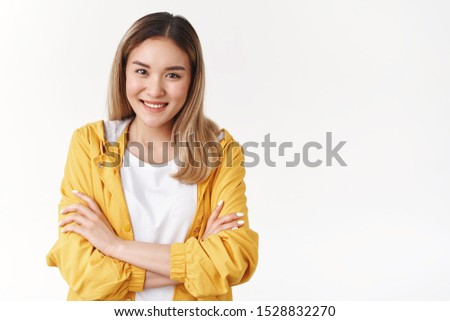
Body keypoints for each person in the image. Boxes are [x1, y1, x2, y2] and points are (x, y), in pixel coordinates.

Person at [46, 12, 258, 301]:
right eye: (142, 71)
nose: (155, 90)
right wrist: (196, 261)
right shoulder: (90, 143)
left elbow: (233, 260)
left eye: (172, 74)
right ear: (123, 72)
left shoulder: (221, 150)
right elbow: (83, 271)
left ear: (192, 80)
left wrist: (114, 246)